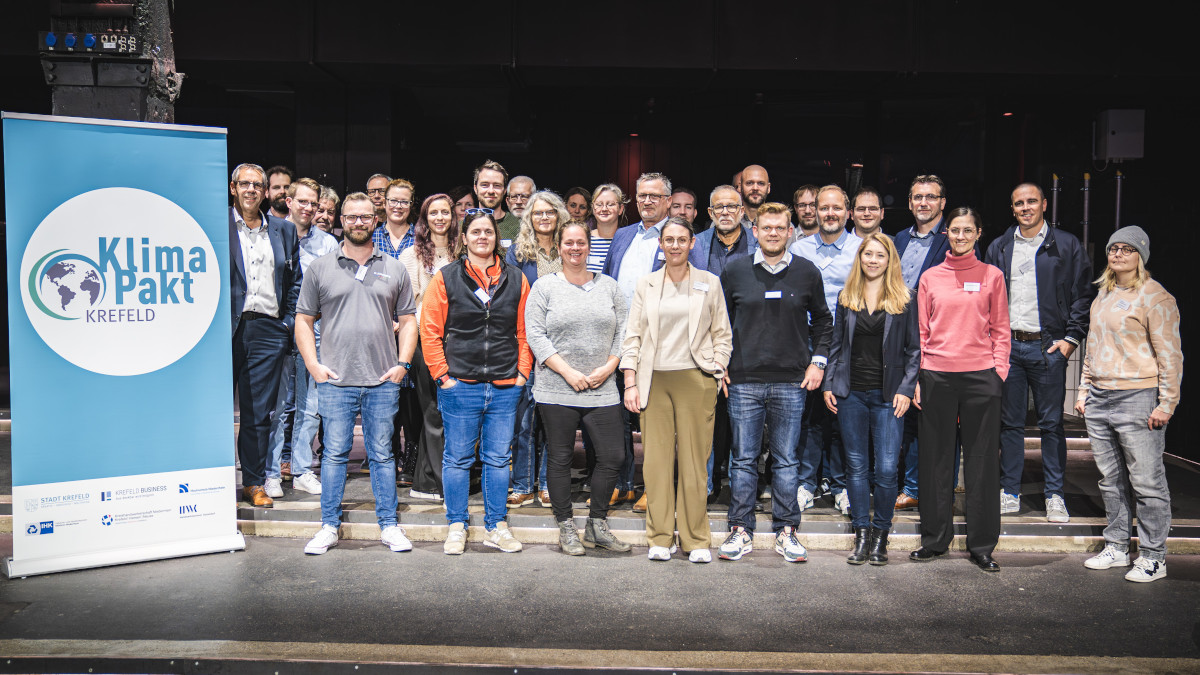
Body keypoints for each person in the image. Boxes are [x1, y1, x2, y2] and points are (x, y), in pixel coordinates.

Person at [296, 192, 418, 555]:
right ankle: (329, 526)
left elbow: (409, 321)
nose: (359, 223)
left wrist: (403, 365)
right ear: (341, 221)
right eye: (351, 217)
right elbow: (303, 320)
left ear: (375, 221)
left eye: (366, 217)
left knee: (383, 454)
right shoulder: (320, 267)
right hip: (335, 379)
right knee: (333, 454)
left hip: (382, 380)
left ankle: (389, 525)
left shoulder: (394, 268)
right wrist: (313, 365)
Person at [717, 203, 831, 563]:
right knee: (744, 459)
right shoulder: (734, 271)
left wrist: (818, 363)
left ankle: (786, 531)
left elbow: (825, 323)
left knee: (785, 460)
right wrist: (721, 367)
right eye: (766, 228)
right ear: (755, 231)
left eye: (780, 228)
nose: (772, 234)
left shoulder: (807, 272)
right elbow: (719, 323)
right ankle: (741, 530)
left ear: (789, 231)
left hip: (792, 382)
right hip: (744, 381)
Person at [620, 216, 732, 563]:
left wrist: (716, 368)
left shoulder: (709, 282)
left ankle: (697, 539)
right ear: (660, 244)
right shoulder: (647, 284)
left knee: (696, 464)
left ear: (692, 243)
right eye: (668, 240)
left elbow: (722, 334)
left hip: (695, 379)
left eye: (681, 240)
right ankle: (660, 537)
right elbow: (633, 335)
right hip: (654, 380)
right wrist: (630, 380)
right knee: (655, 463)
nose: (675, 245)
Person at [421, 211, 532, 555]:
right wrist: (443, 377)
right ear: (464, 238)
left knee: (498, 459)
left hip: (504, 384)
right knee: (456, 459)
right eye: (475, 232)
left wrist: (522, 375)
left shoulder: (515, 278)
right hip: (460, 384)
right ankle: (457, 524)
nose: (483, 236)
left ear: (496, 238)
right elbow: (430, 331)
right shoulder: (446, 277)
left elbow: (524, 332)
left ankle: (496, 526)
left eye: (488, 231)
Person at [1076, 226, 1181, 583]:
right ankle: (1118, 545)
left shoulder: (1155, 297)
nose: (1118, 254)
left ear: (1141, 256)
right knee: (1111, 479)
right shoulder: (1103, 294)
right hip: (1101, 397)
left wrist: (1166, 402)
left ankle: (1154, 556)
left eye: (1127, 249)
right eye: (1113, 248)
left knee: (1147, 481)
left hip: (1138, 395)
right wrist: (1083, 391)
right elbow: (1093, 348)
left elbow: (1170, 356)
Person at [985, 183, 1093, 522]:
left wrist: (1071, 339)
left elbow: (1083, 294)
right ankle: (1010, 490)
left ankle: (1054, 494)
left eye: (1032, 201)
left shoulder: (1066, 244)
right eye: (1019, 203)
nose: (1026, 207)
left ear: (1044, 204)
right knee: (1010, 424)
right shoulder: (1000, 247)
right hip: (1009, 347)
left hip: (1047, 347)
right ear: (1012, 208)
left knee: (1051, 425)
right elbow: (985, 299)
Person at [910, 206, 1009, 573]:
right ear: (946, 234)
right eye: (955, 230)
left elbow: (1000, 329)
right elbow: (920, 332)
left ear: (978, 233)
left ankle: (982, 545)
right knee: (936, 460)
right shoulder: (931, 278)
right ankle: (935, 541)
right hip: (937, 375)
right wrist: (918, 377)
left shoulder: (992, 276)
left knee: (982, 463)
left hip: (981, 376)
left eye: (968, 230)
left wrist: (998, 372)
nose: (961, 236)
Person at [525, 222, 632, 555]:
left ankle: (596, 525)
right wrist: (568, 372)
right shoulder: (544, 287)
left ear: (589, 247)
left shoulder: (610, 287)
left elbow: (624, 331)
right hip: (557, 388)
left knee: (613, 456)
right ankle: (566, 526)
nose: (575, 248)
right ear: (559, 247)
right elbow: (535, 335)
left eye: (580, 243)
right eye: (568, 243)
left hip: (602, 386)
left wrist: (610, 366)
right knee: (559, 458)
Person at [822, 232, 920, 565]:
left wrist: (907, 389)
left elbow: (914, 351)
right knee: (856, 466)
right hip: (851, 394)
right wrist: (828, 384)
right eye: (868, 255)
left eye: (880, 255)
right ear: (860, 258)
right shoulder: (845, 296)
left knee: (888, 469)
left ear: (889, 259)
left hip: (889, 396)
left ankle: (881, 535)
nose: (873, 260)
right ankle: (861, 535)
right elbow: (836, 346)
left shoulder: (906, 298)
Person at [229, 162, 303, 508]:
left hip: (268, 329)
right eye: (244, 184)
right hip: (224, 329)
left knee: (259, 414)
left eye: (257, 185)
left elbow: (296, 281)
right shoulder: (218, 227)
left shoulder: (283, 231)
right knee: (213, 409)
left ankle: (254, 483)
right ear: (233, 188)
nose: (251, 190)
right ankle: (210, 481)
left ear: (266, 191)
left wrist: (287, 321)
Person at [789, 185, 864, 516]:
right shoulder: (800, 249)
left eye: (836, 208)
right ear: (814, 212)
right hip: (807, 340)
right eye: (823, 208)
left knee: (843, 415)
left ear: (847, 212)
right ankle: (805, 483)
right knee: (808, 416)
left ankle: (841, 485)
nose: (829, 213)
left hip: (853, 341)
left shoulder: (864, 248)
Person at [603, 173, 673, 514]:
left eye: (654, 196)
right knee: (616, 419)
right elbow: (605, 281)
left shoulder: (678, 237)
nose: (646, 201)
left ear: (668, 202)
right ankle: (623, 484)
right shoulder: (623, 235)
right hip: (619, 339)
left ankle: (654, 488)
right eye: (642, 195)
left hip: (659, 344)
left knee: (653, 422)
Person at [266, 177, 337, 498]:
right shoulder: (271, 234)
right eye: (303, 202)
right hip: (279, 330)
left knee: (312, 406)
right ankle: (270, 472)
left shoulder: (328, 244)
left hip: (317, 332)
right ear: (289, 202)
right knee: (279, 406)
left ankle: (301, 470)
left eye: (314, 203)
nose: (309, 208)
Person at [893, 174, 954, 512]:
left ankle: (924, 487)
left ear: (942, 203)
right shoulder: (900, 238)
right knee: (901, 413)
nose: (923, 203)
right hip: (898, 337)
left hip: (936, 338)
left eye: (931, 197)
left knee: (928, 417)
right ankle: (907, 483)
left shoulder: (952, 239)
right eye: (918, 197)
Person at [505, 190, 567, 508]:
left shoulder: (568, 248)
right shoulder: (517, 254)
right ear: (529, 217)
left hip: (563, 346)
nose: (544, 218)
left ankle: (546, 483)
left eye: (550, 212)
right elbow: (511, 299)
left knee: (553, 421)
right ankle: (522, 484)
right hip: (528, 344)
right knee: (525, 420)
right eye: (538, 213)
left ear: (559, 215)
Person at [398, 194, 460, 502]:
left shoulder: (463, 251)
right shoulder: (411, 256)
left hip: (461, 342)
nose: (439, 217)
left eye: (445, 212)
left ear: (452, 216)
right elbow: (404, 305)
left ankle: (424, 482)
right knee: (433, 411)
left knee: (451, 412)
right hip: (427, 341)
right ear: (425, 218)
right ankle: (438, 482)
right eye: (433, 212)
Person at [373, 178, 421, 485]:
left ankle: (412, 460)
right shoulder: (371, 236)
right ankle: (386, 458)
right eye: (394, 200)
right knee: (382, 398)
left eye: (404, 201)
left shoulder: (422, 238)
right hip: (376, 329)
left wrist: (404, 322)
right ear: (384, 202)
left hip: (411, 326)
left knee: (412, 400)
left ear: (411, 205)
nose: (398, 206)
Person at [472, 160, 520, 244]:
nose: (491, 191)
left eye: (497, 185)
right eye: (485, 185)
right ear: (475, 188)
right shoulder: (463, 226)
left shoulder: (518, 226)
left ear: (505, 190)